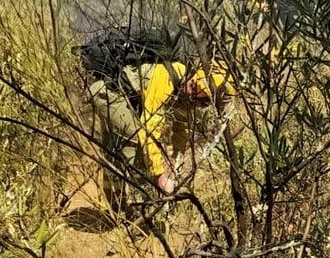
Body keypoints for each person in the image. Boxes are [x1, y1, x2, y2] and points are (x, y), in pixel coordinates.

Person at [89, 60, 233, 208]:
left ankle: (117, 209)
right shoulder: (167, 75)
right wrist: (159, 175)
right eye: (194, 86)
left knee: (114, 150)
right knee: (138, 143)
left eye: (202, 102)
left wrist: (177, 160)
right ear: (195, 75)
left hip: (113, 98)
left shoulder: (188, 93)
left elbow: (181, 128)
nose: (192, 98)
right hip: (107, 95)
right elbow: (149, 128)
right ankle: (144, 207)